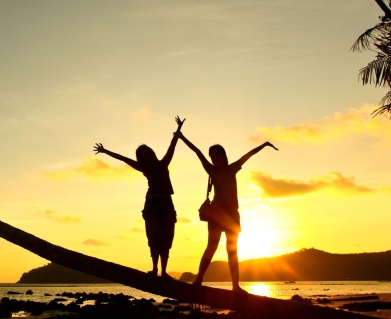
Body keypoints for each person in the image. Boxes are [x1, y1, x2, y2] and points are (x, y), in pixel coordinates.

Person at [175, 117, 277, 293]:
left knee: (232, 251)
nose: (215, 159)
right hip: (216, 213)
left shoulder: (233, 168)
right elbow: (197, 152)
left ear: (224, 155)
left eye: (218, 155)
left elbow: (249, 155)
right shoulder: (211, 170)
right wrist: (181, 136)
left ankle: (235, 286)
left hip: (232, 215)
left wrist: (265, 144)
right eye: (212, 157)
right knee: (211, 247)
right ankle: (198, 280)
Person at [93, 119, 184, 277]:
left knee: (167, 236)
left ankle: (163, 271)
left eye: (148, 151)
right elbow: (123, 158)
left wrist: (179, 128)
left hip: (166, 203)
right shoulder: (143, 167)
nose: (148, 155)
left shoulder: (163, 163)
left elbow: (172, 146)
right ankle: (155, 269)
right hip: (153, 204)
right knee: (154, 236)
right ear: (142, 158)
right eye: (144, 154)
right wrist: (105, 151)